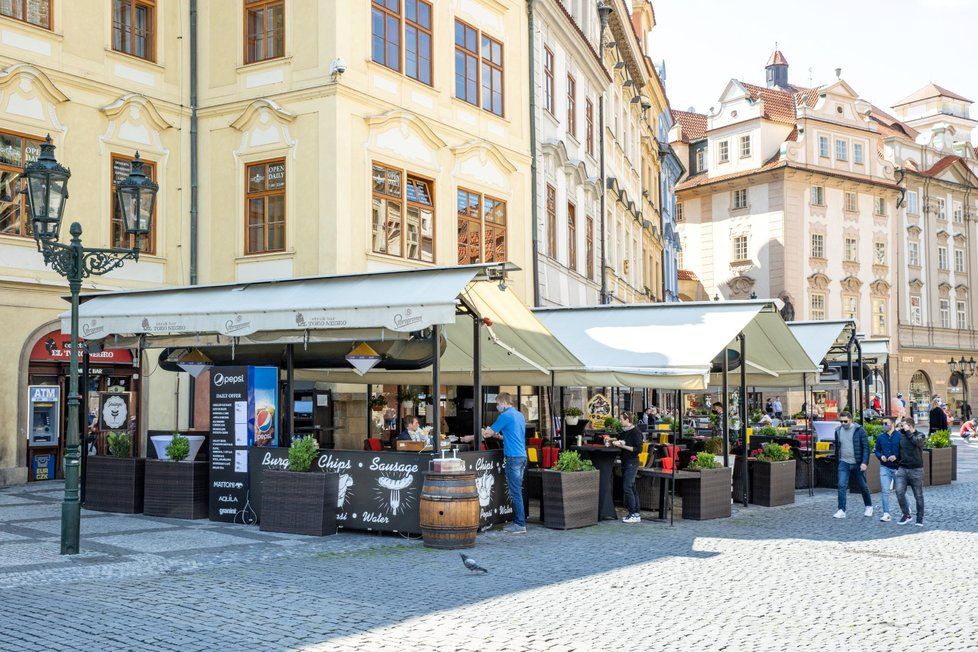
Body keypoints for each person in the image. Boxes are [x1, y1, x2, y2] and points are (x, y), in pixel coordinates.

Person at [482, 392, 528, 534]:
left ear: (503, 402)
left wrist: (477, 433)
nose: (497, 406)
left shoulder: (505, 415)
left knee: (515, 492)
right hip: (522, 456)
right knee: (517, 490)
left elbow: (487, 433)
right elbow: (512, 435)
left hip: (513, 457)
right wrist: (499, 436)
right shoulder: (519, 415)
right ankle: (518, 522)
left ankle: (520, 524)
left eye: (497, 403)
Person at [833, 411, 873, 519]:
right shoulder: (838, 431)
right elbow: (837, 447)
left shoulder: (859, 430)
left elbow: (866, 448)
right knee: (841, 485)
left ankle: (869, 506)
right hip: (844, 462)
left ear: (851, 420)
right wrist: (838, 460)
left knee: (863, 486)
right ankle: (841, 509)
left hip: (858, 463)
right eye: (841, 421)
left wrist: (864, 462)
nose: (843, 423)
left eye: (845, 421)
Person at [613, 412, 644, 524]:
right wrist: (611, 439)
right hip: (626, 462)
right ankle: (636, 514)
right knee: (632, 487)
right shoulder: (625, 431)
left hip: (632, 462)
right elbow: (619, 438)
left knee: (627, 487)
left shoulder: (636, 432)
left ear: (627, 420)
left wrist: (622, 446)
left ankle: (633, 514)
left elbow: (638, 449)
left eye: (621, 419)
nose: (620, 421)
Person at [895, 417, 926, 527]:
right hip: (902, 469)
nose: (901, 428)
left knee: (918, 495)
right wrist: (897, 465)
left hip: (916, 469)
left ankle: (919, 517)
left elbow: (917, 442)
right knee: (899, 492)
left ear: (910, 425)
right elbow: (899, 452)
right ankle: (906, 515)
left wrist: (908, 432)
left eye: (903, 425)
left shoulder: (920, 435)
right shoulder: (902, 437)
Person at [874, 417, 901, 522]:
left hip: (897, 468)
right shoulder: (880, 437)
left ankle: (906, 510)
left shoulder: (900, 436)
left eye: (886, 423)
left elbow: (904, 451)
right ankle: (886, 513)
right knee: (885, 491)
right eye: (883, 423)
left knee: (900, 491)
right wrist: (881, 456)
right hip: (885, 467)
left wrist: (896, 456)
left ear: (893, 424)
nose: (884, 425)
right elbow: (877, 450)